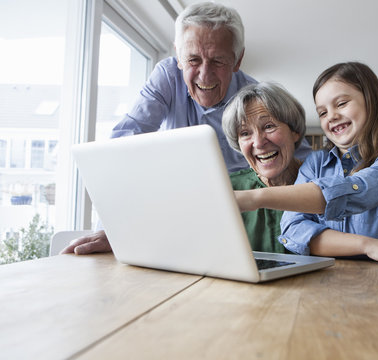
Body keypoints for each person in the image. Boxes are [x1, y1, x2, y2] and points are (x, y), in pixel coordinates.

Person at [61, 2, 310, 255]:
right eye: (192, 59)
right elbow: (121, 148)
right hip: (176, 212)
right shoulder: (168, 75)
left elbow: (305, 160)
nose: (204, 75)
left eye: (217, 61)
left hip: (238, 217)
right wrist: (119, 230)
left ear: (237, 60)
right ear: (178, 56)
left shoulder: (254, 98)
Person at [234, 62, 378, 267]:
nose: (332, 116)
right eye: (322, 112)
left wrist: (255, 198)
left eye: (341, 103)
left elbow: (356, 192)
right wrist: (367, 245)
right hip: (324, 282)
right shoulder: (315, 163)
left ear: (372, 102)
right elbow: (293, 229)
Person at [222, 82, 305, 253]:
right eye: (245, 133)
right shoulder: (226, 189)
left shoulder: (320, 181)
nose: (258, 143)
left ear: (294, 131)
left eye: (268, 126)